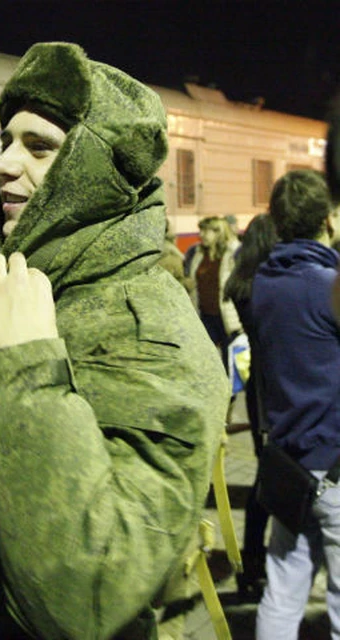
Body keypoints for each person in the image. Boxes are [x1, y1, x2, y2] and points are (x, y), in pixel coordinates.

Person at [0, 42, 229, 639]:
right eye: (6, 140)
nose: (3, 163)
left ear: (96, 174)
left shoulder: (152, 335)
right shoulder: (14, 289)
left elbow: (92, 593)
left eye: (39, 147)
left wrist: (29, 368)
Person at [252, 169, 340, 639]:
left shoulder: (265, 284)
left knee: (283, 592)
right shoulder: (329, 285)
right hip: (336, 465)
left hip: (290, 465)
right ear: (328, 219)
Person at [221, 212, 279, 601]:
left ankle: (253, 559)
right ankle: (260, 560)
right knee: (273, 478)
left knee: (265, 474)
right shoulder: (267, 288)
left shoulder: (241, 284)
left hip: (259, 394)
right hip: (274, 389)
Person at [187, 215, 242, 357]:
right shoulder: (198, 253)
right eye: (201, 231)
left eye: (206, 231)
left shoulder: (231, 254)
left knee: (229, 360)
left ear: (218, 232)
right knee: (205, 358)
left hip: (226, 317)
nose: (201, 235)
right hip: (204, 315)